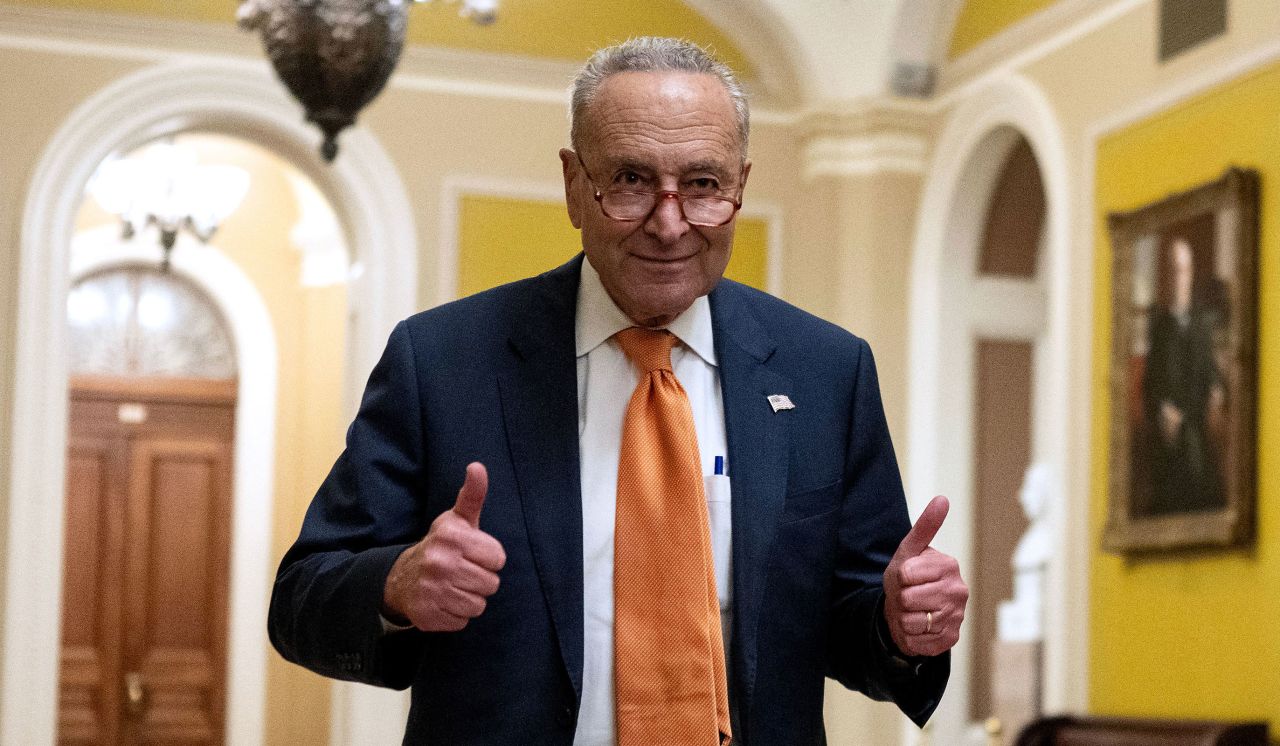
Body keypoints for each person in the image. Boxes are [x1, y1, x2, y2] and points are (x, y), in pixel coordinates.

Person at [269, 37, 968, 745]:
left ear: (740, 186)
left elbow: (853, 626)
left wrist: (903, 626)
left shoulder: (825, 372)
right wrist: (397, 585)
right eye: (632, 180)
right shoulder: (444, 363)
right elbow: (300, 601)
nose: (669, 225)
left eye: (702, 185)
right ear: (575, 185)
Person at [1140, 237, 1225, 514]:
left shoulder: (1202, 324)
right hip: (1170, 426)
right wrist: (1163, 412)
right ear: (1167, 275)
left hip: (1198, 423)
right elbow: (1150, 383)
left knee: (1205, 483)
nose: (1180, 278)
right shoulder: (1160, 327)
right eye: (1175, 270)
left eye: (1185, 270)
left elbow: (1212, 372)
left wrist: (1217, 393)